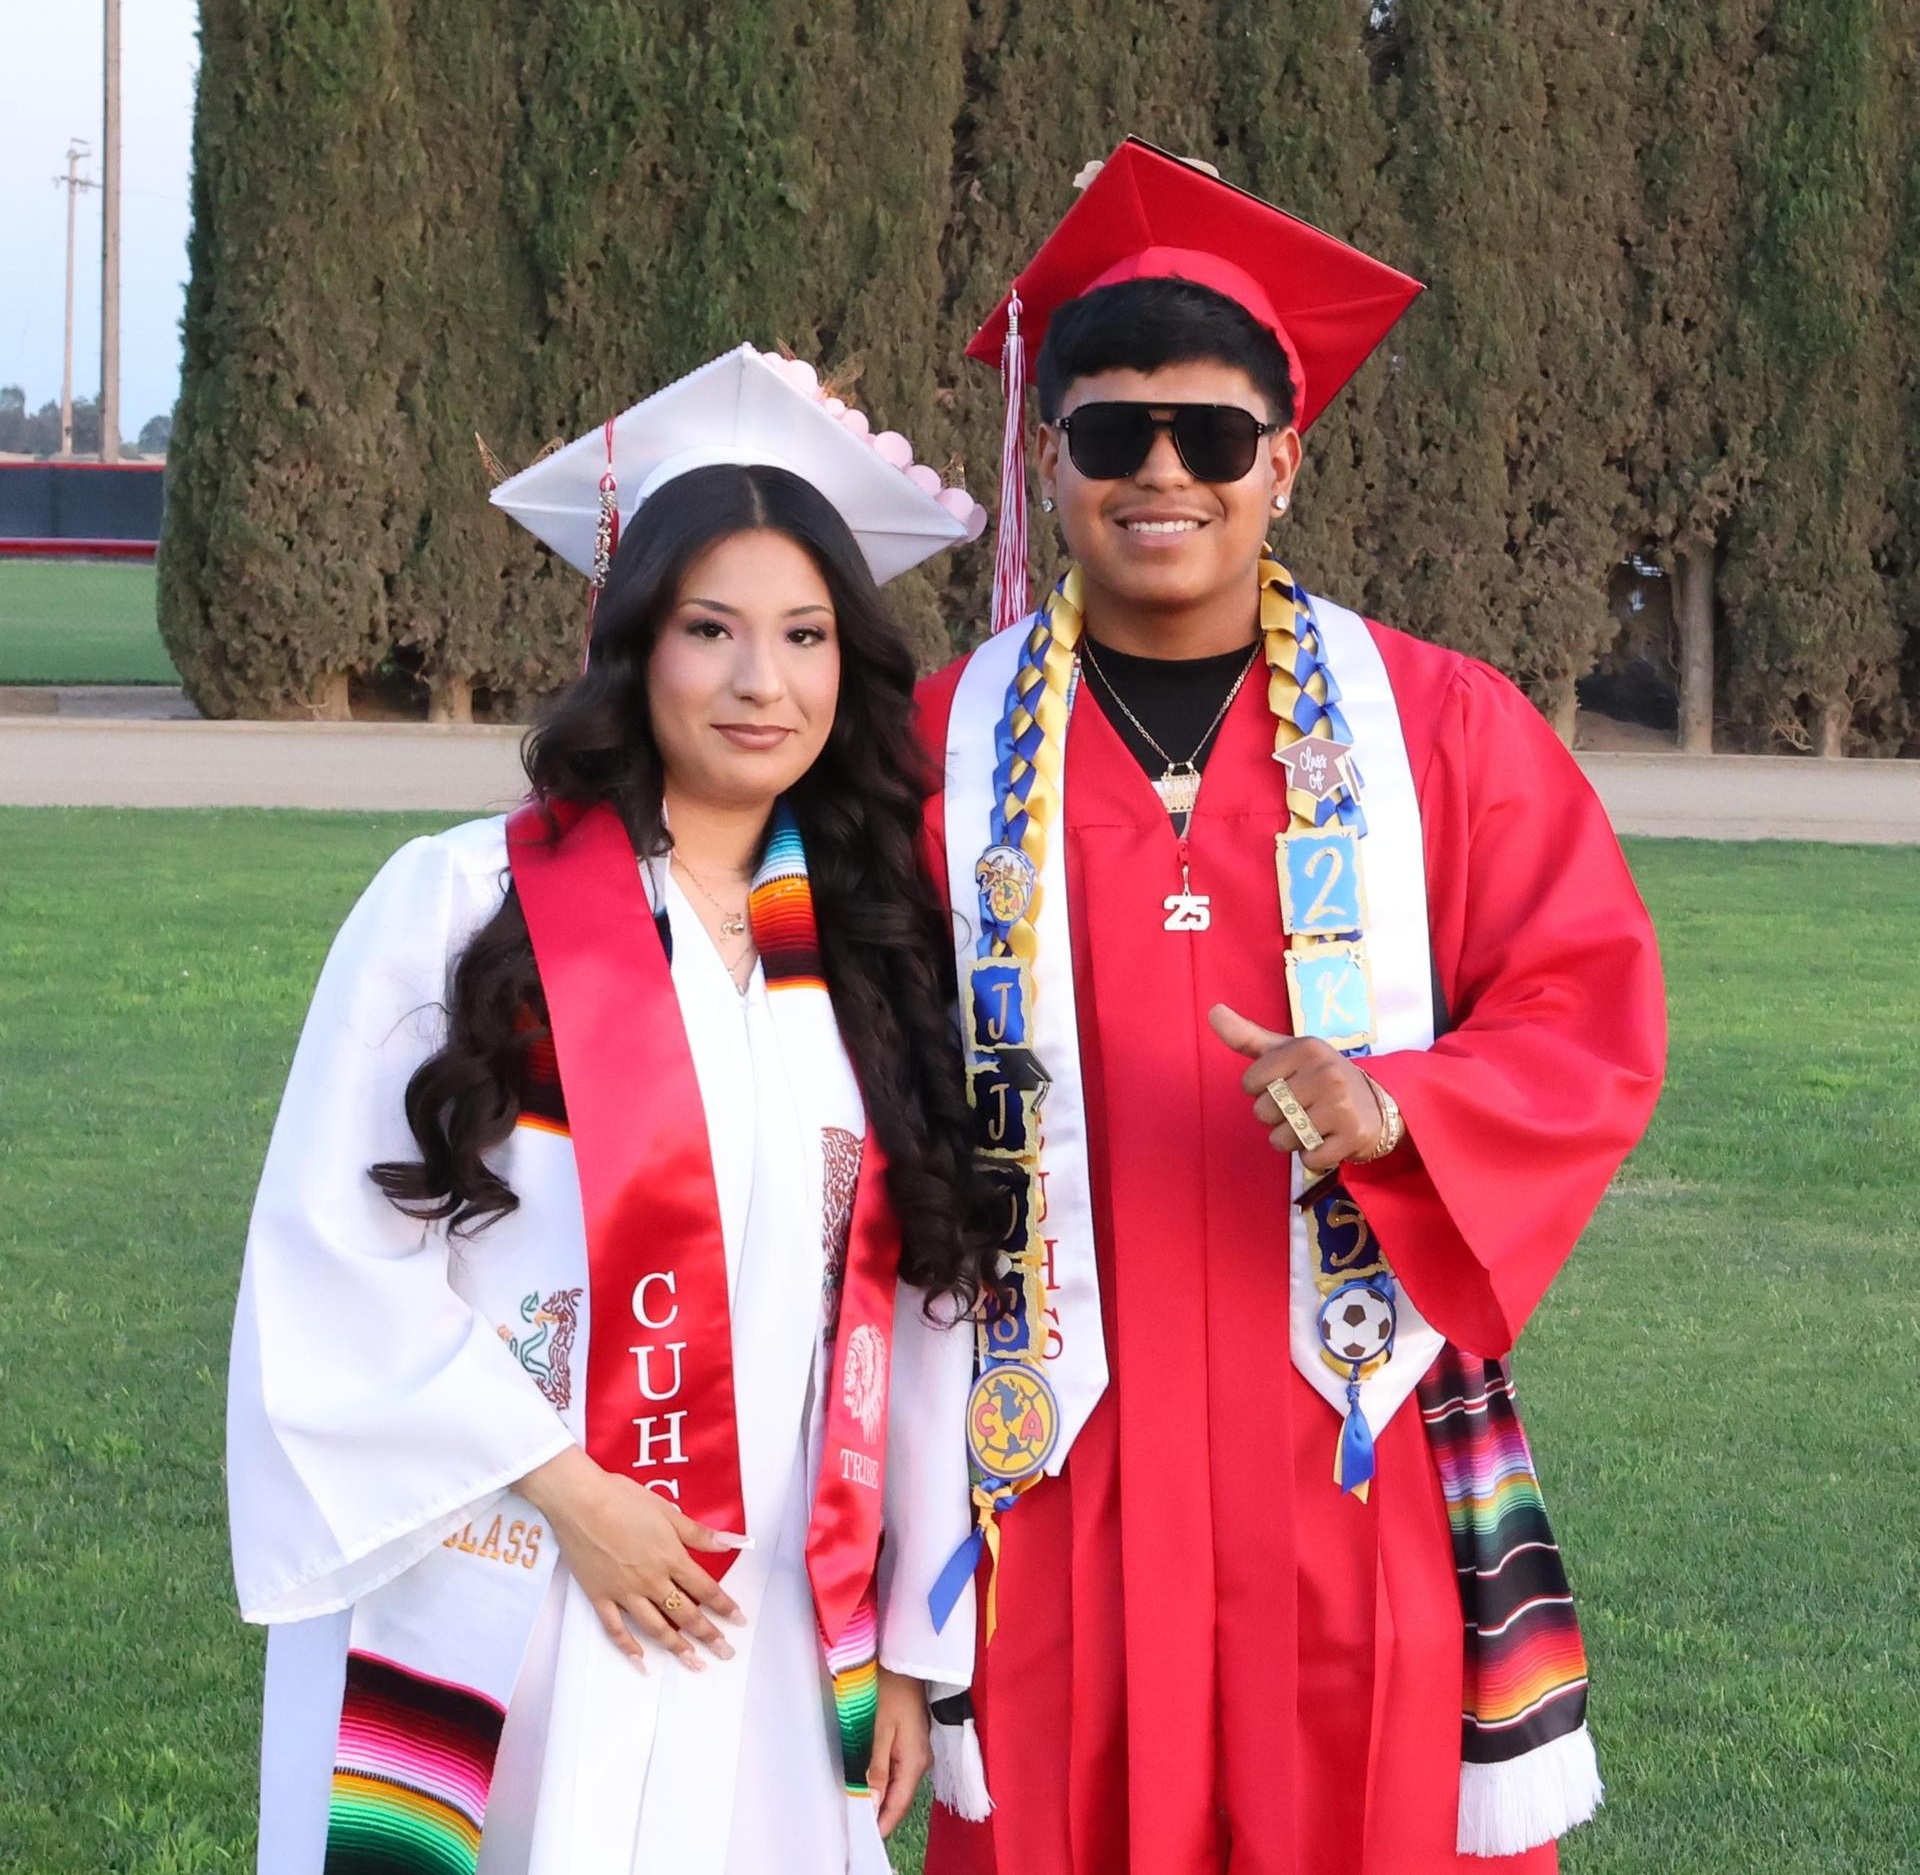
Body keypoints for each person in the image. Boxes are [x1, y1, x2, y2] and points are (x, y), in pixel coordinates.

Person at [916, 141, 1667, 1874]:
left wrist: (1403, 1107)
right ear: (1055, 456)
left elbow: (1586, 1001)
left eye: (1213, 438)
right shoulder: (937, 747)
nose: (1160, 473)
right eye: (1111, 434)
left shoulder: (1437, 729)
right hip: (1050, 1447)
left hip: (1349, 1429)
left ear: (1287, 461)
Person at [227, 345, 993, 1875]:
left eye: (804, 635)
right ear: (635, 644)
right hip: (507, 1564)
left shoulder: (871, 951)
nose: (760, 681)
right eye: (711, 630)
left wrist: (909, 1639)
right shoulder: (460, 901)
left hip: (768, 1604)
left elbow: (913, 1307)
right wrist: (575, 1493)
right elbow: (334, 1252)